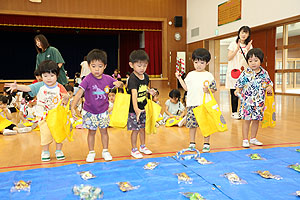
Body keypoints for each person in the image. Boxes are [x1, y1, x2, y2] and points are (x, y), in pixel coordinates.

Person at [4, 60, 70, 161]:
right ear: (41, 76)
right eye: (45, 75)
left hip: (56, 116)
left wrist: (66, 98)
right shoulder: (40, 86)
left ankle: (58, 150)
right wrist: (17, 87)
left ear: (57, 75)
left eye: (52, 75)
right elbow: (27, 88)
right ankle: (45, 151)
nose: (49, 78)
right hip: (43, 115)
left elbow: (66, 100)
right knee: (45, 134)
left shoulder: (60, 87)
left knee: (59, 133)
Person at [71, 49, 123, 162]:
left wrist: (119, 83)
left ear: (105, 66)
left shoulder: (108, 78)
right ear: (89, 66)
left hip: (103, 111)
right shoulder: (87, 79)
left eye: (100, 66)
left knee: (104, 131)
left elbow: (119, 84)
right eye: (93, 66)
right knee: (91, 132)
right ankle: (91, 152)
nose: (97, 69)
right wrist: (72, 107)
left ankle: (105, 151)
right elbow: (79, 93)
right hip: (90, 112)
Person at [176, 48, 217, 153]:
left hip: (205, 105)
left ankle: (206, 144)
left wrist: (208, 90)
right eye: (196, 62)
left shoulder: (209, 75)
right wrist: (179, 78)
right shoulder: (190, 74)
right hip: (192, 104)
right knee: (192, 125)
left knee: (206, 125)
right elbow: (186, 88)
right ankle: (192, 143)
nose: (198, 65)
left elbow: (214, 89)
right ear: (193, 61)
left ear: (207, 63)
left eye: (202, 63)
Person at [234, 48, 273, 148]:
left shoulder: (264, 73)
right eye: (250, 61)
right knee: (247, 120)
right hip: (247, 102)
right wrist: (237, 89)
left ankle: (253, 138)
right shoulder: (245, 73)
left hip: (259, 102)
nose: (253, 63)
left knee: (256, 120)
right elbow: (239, 84)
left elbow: (269, 84)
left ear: (261, 61)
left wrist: (269, 87)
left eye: (256, 60)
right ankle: (245, 139)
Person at [127, 50, 156, 159]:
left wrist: (149, 91)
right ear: (131, 65)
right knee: (135, 130)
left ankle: (143, 146)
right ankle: (134, 149)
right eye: (139, 65)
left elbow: (143, 87)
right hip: (134, 110)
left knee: (143, 128)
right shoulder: (132, 79)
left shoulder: (146, 77)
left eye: (144, 65)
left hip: (143, 107)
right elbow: (134, 94)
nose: (142, 68)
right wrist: (136, 110)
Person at [226, 26, 253, 120]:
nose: (243, 34)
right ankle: (234, 112)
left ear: (248, 35)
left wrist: (248, 49)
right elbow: (229, 57)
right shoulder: (233, 44)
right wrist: (237, 49)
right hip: (234, 72)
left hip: (244, 72)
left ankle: (242, 111)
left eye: (246, 33)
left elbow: (249, 60)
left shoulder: (249, 46)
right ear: (239, 33)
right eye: (242, 32)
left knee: (244, 92)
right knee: (234, 92)